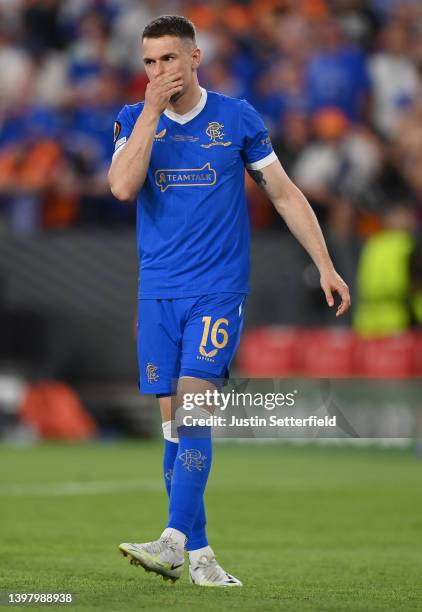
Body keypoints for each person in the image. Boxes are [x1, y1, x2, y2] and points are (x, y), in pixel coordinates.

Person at [108, 15, 350, 588]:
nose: (159, 71)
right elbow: (121, 187)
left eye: (169, 59)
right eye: (149, 62)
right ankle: (202, 556)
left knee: (195, 409)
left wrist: (325, 264)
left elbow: (286, 194)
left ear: (196, 57)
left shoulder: (236, 117)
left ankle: (170, 541)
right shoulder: (130, 119)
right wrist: (148, 111)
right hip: (158, 291)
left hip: (216, 290)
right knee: (173, 428)